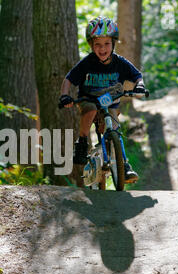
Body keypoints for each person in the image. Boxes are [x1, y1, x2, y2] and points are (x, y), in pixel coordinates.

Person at [59, 16, 146, 183]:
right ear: (91, 45)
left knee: (113, 128)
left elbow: (137, 76)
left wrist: (139, 86)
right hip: (88, 99)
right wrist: (65, 95)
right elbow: (69, 79)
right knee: (91, 109)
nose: (102, 48)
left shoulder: (120, 63)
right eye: (97, 44)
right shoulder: (87, 63)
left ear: (113, 44)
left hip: (110, 102)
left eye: (106, 44)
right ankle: (82, 143)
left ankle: (124, 166)